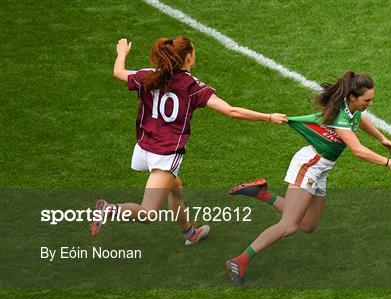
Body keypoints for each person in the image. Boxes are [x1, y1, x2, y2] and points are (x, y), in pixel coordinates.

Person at [90, 36, 287, 246]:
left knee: (175, 188)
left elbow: (118, 72)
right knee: (148, 213)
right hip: (165, 155)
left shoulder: (149, 75)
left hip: (144, 148)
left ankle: (190, 232)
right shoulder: (191, 86)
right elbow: (231, 111)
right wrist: (268, 116)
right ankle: (110, 209)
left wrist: (121, 54)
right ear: (189, 57)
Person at [226, 71, 391, 284]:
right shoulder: (340, 117)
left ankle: (262, 193)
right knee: (288, 225)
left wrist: (382, 138)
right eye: (367, 100)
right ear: (352, 97)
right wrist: (390, 163)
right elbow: (358, 150)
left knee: (308, 225)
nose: (370, 103)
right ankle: (239, 260)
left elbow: (360, 119)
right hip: (309, 165)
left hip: (321, 168)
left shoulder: (349, 108)